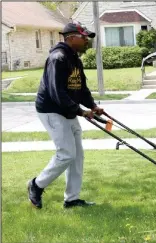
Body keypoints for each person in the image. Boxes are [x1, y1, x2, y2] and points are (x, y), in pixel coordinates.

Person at [27, 21, 103, 209]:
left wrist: (92, 106)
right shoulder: (58, 58)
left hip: (67, 110)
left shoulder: (75, 59)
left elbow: (81, 88)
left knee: (77, 155)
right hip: (52, 110)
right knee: (66, 153)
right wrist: (80, 111)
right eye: (83, 37)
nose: (86, 41)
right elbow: (56, 92)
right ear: (70, 38)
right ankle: (36, 185)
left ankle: (72, 199)